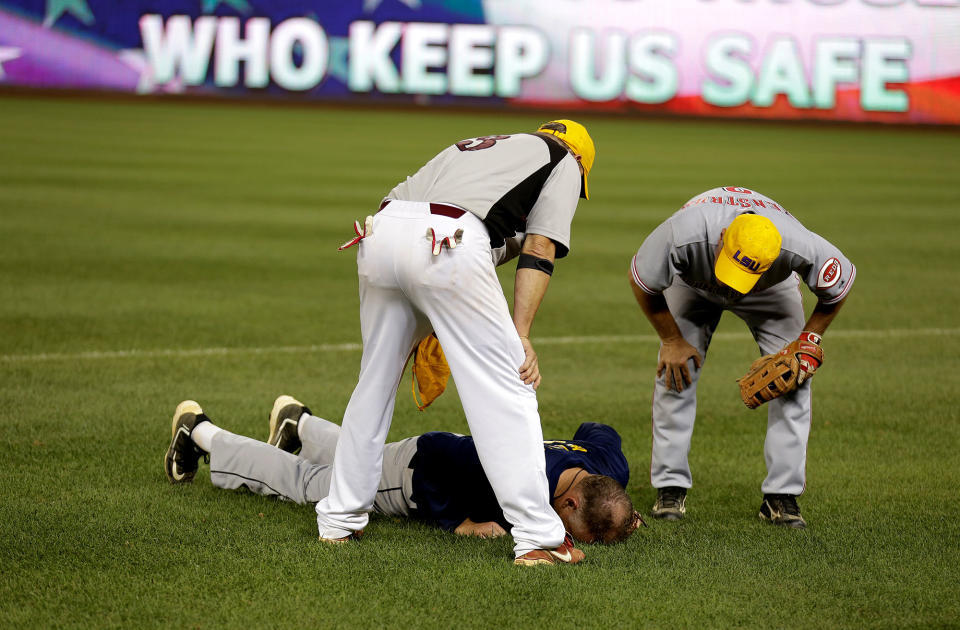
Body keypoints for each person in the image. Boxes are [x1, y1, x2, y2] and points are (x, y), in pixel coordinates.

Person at [318, 120, 596, 565]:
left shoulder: (489, 146)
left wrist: (433, 297)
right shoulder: (563, 159)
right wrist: (519, 334)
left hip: (381, 233)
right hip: (446, 243)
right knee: (509, 384)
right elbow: (539, 248)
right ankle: (538, 539)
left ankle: (338, 521)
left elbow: (477, 235)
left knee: (374, 384)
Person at [629, 186, 855, 528]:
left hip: (769, 291)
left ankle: (781, 496)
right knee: (675, 372)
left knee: (794, 378)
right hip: (695, 285)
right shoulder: (684, 232)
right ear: (722, 237)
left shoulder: (800, 245)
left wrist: (810, 338)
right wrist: (671, 339)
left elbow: (839, 285)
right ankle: (670, 486)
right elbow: (643, 282)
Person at [163, 395, 640, 546]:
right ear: (570, 501)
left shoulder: (605, 468)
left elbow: (598, 429)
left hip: (439, 451)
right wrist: (460, 523)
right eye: (580, 532)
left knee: (359, 453)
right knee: (310, 485)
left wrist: (623, 513)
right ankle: (200, 433)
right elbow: (440, 462)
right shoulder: (509, 475)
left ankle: (298, 423)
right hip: (420, 469)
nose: (573, 540)